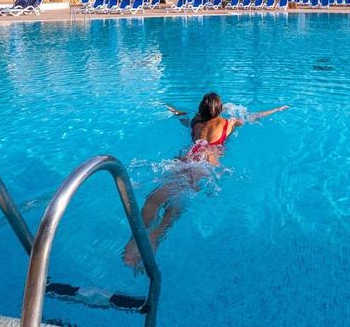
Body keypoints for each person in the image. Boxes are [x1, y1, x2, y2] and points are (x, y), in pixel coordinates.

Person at [123, 93, 288, 269]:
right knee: (176, 204)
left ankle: (135, 239)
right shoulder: (228, 123)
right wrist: (276, 109)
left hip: (186, 159)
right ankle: (156, 237)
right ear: (220, 110)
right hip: (204, 165)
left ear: (201, 109)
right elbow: (251, 117)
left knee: (155, 198)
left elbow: (182, 117)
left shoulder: (196, 122)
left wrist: (172, 109)